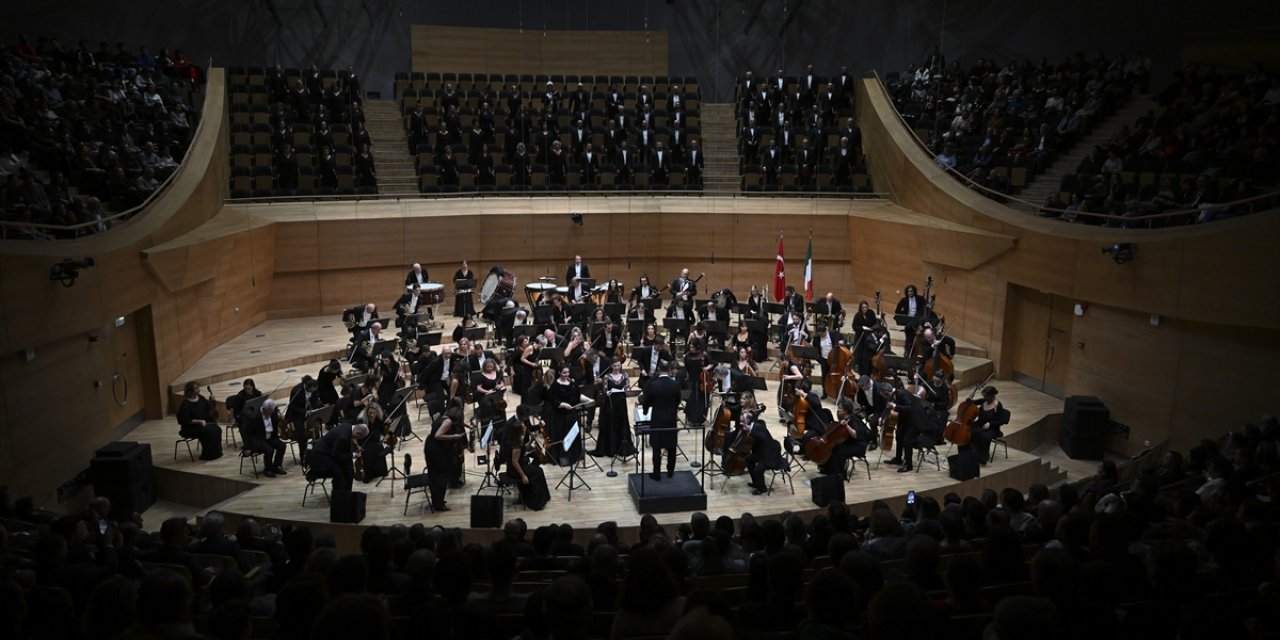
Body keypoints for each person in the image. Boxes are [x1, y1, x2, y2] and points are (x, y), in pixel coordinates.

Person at [881, 382, 937, 473]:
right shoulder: (892, 395)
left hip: (916, 421)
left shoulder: (902, 394)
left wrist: (895, 406)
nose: (884, 397)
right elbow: (887, 407)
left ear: (887, 393)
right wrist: (882, 417)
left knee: (907, 441)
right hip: (907, 420)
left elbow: (909, 408)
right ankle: (898, 459)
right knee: (899, 436)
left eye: (884, 395)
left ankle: (908, 465)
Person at [641, 360, 682, 481]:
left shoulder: (653, 384)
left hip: (657, 417)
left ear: (658, 369)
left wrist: (645, 410)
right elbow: (678, 400)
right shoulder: (675, 384)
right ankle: (670, 471)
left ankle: (657, 473)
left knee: (656, 446)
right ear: (669, 369)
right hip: (670, 417)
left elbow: (647, 400)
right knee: (671, 446)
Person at [548, 364, 593, 466]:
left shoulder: (572, 383)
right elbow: (553, 400)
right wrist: (563, 404)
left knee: (572, 434)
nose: (566, 375)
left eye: (567, 372)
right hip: (560, 416)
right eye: (564, 373)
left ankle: (574, 456)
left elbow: (578, 395)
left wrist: (588, 400)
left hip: (572, 414)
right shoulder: (555, 385)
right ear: (559, 372)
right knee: (563, 435)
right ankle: (563, 457)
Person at [424, 404, 466, 510]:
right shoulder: (448, 422)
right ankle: (439, 504)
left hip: (430, 446)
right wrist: (453, 436)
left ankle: (437, 501)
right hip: (436, 450)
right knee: (440, 476)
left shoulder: (444, 417)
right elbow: (438, 435)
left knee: (434, 475)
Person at [509, 407, 551, 511]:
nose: (525, 427)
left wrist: (531, 439)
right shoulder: (516, 446)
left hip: (521, 463)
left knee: (538, 469)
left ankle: (543, 497)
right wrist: (523, 476)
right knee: (538, 472)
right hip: (516, 469)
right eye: (523, 427)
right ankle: (535, 502)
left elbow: (525, 448)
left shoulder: (519, 439)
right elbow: (514, 462)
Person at [592, 360, 636, 459]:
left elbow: (627, 387)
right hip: (611, 403)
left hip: (621, 403)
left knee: (622, 423)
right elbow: (605, 389)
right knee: (611, 423)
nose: (616, 367)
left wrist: (627, 390)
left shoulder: (625, 375)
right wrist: (607, 393)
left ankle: (623, 448)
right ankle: (611, 449)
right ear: (611, 366)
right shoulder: (607, 377)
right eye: (615, 365)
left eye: (618, 365)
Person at [309, 420, 368, 492]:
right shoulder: (343, 437)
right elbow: (337, 455)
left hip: (328, 452)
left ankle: (346, 493)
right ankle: (338, 497)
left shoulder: (348, 425)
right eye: (358, 438)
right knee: (339, 473)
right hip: (320, 458)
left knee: (349, 468)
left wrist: (357, 446)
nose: (357, 439)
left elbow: (352, 438)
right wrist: (354, 455)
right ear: (357, 433)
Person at [821, 399, 872, 480]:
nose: (837, 409)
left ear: (846, 411)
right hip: (849, 443)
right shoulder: (844, 418)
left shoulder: (854, 420)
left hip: (858, 446)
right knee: (834, 448)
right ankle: (829, 470)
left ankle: (840, 474)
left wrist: (847, 426)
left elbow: (855, 435)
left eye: (840, 408)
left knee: (839, 451)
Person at [742, 401, 785, 495]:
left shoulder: (759, 426)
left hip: (770, 456)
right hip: (761, 453)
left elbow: (763, 437)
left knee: (758, 469)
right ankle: (756, 483)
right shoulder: (751, 426)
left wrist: (750, 430)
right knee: (749, 459)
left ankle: (762, 488)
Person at [176, 382, 223, 460]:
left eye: (198, 388)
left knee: (217, 429)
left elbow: (209, 409)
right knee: (208, 431)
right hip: (190, 428)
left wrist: (212, 402)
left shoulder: (201, 398)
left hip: (203, 425)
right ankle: (207, 455)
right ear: (190, 391)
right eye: (196, 388)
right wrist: (199, 421)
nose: (198, 390)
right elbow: (184, 420)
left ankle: (217, 453)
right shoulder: (186, 404)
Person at [245, 399, 287, 477]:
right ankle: (268, 470)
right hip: (259, 439)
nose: (271, 413)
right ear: (264, 409)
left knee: (282, 446)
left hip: (270, 437)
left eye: (272, 411)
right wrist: (247, 447)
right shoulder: (254, 417)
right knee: (269, 450)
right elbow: (247, 433)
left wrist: (281, 418)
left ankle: (276, 466)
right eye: (270, 412)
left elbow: (276, 423)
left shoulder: (273, 413)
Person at [968, 387, 1009, 465]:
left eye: (986, 396)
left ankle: (983, 457)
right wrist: (969, 400)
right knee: (969, 429)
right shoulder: (984, 401)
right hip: (980, 423)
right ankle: (971, 454)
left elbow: (1002, 420)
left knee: (983, 435)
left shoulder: (998, 406)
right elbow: (973, 402)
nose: (984, 398)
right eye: (984, 396)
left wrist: (990, 423)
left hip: (993, 428)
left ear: (992, 396)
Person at [285, 376, 322, 464]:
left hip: (308, 411)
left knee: (317, 429)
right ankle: (303, 457)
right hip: (297, 414)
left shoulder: (314, 388)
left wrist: (317, 408)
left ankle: (317, 452)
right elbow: (293, 407)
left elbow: (315, 400)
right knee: (302, 434)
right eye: (311, 390)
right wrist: (305, 412)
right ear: (307, 387)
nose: (313, 392)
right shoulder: (296, 391)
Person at [894, 285, 928, 356]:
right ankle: (908, 351)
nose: (910, 293)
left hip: (917, 319)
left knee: (910, 333)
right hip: (908, 319)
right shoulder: (904, 300)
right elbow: (897, 311)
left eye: (911, 291)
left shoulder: (919, 298)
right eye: (909, 291)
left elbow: (926, 306)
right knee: (909, 335)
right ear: (907, 292)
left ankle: (911, 351)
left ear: (914, 291)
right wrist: (904, 313)